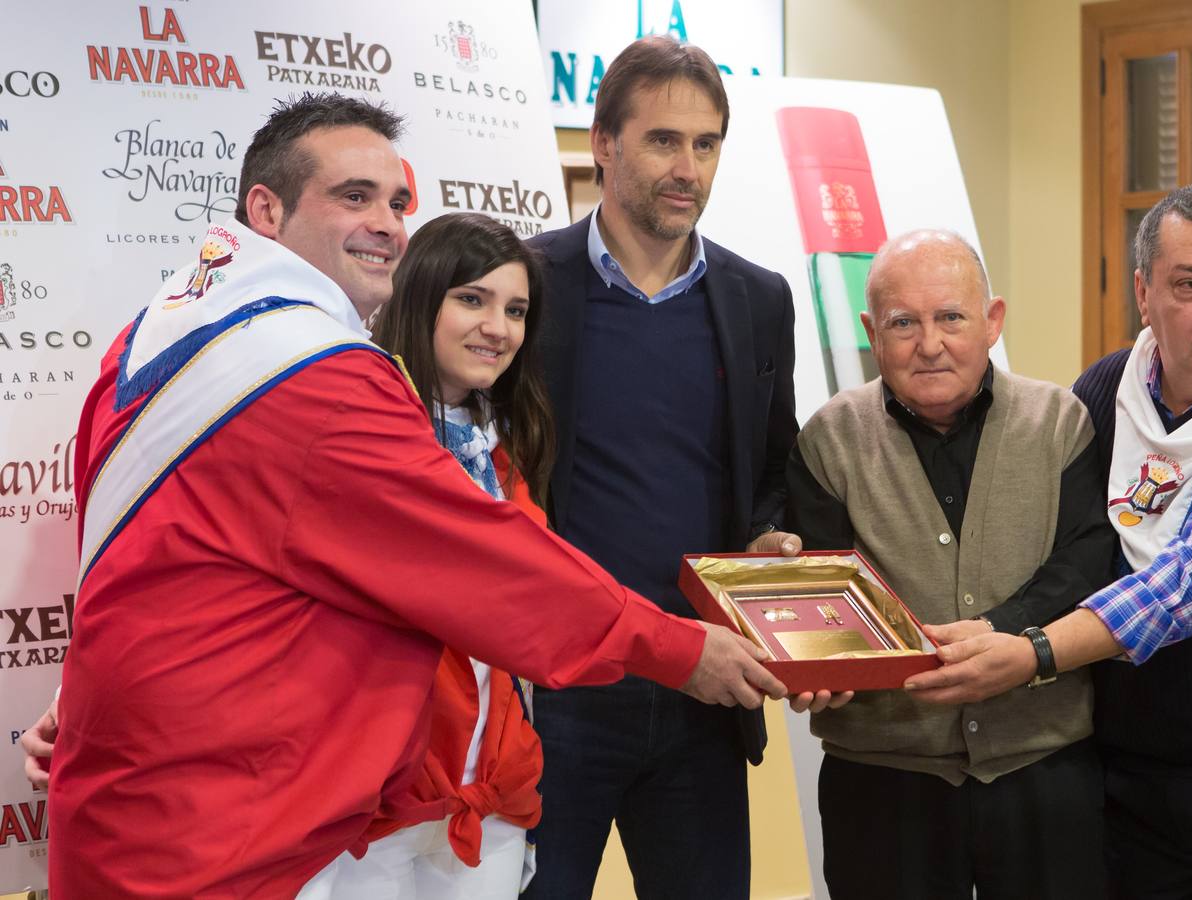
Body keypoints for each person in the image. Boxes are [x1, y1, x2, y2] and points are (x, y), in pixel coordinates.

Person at [35, 93, 784, 900]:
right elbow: (493, 571)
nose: (390, 224)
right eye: (353, 197)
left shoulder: (157, 330)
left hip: (140, 803)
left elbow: (151, 563)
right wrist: (679, 648)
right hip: (224, 833)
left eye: (398, 202)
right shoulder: (319, 378)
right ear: (266, 209)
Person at [910, 183, 1192, 899]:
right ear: (1143, 293)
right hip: (1125, 780)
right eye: (1188, 285)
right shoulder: (1106, 390)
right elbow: (1058, 542)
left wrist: (1031, 652)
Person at [523, 35, 811, 899]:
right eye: (662, 141)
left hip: (704, 691)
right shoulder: (525, 286)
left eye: (705, 144)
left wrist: (769, 537)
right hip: (555, 692)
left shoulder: (758, 299)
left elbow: (769, 465)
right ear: (602, 144)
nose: (686, 167)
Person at [784, 229, 1114, 899]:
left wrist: (1001, 632)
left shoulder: (1060, 422)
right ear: (871, 332)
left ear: (991, 321)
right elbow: (823, 589)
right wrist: (816, 662)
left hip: (1045, 769)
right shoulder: (828, 438)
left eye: (950, 318)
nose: (928, 343)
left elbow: (1087, 560)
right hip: (880, 778)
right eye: (903, 323)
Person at [300, 212, 551, 898]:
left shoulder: (507, 443)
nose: (497, 327)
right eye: (471, 299)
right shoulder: (352, 428)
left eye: (515, 308)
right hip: (369, 799)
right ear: (419, 297)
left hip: (487, 793)